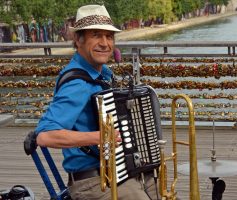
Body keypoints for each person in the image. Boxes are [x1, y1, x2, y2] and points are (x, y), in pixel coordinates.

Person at [35, 5, 153, 200]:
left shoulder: (102, 74)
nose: (105, 43)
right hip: (91, 182)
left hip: (115, 170)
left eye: (109, 37)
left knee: (162, 187)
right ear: (78, 40)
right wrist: (101, 137)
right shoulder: (78, 83)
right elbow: (45, 136)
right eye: (96, 35)